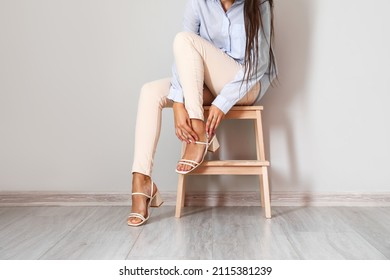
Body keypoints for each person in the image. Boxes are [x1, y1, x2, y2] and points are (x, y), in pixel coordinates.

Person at [128, 0, 277, 226]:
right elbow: (184, 56)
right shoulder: (199, 2)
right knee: (150, 92)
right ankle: (141, 183)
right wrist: (179, 102)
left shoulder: (259, 4)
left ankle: (198, 133)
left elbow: (259, 63)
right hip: (206, 82)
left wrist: (221, 103)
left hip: (246, 84)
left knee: (183, 39)